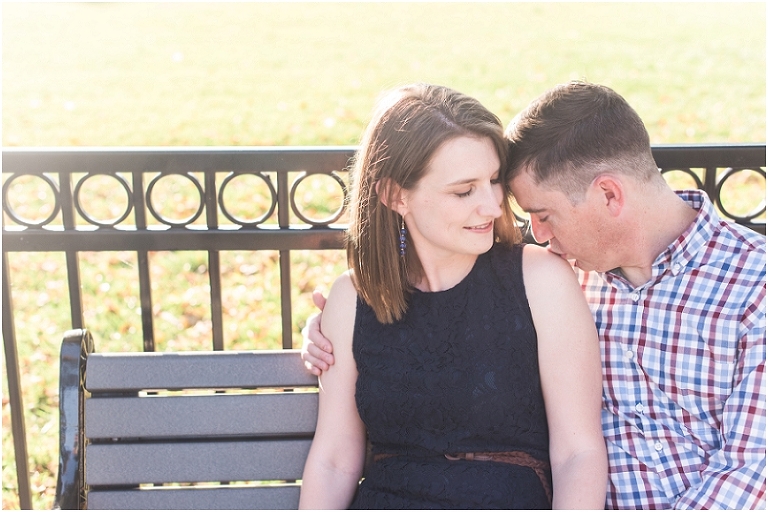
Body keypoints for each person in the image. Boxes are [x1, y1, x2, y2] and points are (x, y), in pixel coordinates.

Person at [301, 81, 766, 509]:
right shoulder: (579, 269)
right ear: (394, 196)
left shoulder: (752, 287)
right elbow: (343, 444)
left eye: (542, 213)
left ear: (609, 195)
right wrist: (332, 333)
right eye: (466, 191)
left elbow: (750, 473)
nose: (534, 234)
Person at [298, 83, 607, 509]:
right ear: (394, 195)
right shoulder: (353, 298)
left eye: (494, 181)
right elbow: (333, 460)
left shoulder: (540, 280)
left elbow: (578, 453)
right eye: (464, 191)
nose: (493, 207)